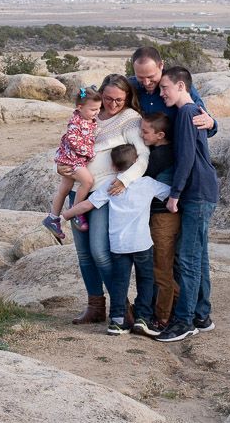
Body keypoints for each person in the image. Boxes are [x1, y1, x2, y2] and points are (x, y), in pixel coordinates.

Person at [61, 74, 149, 325]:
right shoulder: (87, 114)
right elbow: (68, 146)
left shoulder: (131, 120)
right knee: (84, 254)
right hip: (78, 190)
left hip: (104, 193)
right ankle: (95, 306)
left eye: (119, 99)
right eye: (108, 98)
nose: (112, 104)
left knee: (100, 252)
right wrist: (62, 168)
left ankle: (121, 307)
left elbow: (142, 156)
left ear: (127, 98)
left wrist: (125, 179)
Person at [61, 142, 170, 336]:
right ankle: (143, 319)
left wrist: (64, 216)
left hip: (119, 246)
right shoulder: (148, 183)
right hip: (142, 243)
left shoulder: (109, 187)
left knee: (120, 283)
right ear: (136, 162)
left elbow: (86, 206)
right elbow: (169, 194)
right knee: (146, 279)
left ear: (113, 167)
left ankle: (117, 321)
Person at [155, 66, 219, 343]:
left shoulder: (185, 113)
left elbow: (186, 158)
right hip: (204, 190)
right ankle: (202, 315)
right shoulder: (195, 113)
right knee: (199, 255)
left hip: (195, 192)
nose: (161, 93)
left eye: (164, 88)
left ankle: (184, 322)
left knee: (188, 258)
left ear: (181, 86)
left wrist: (175, 194)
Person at [42, 87, 101, 241]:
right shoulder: (76, 122)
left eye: (99, 108)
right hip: (72, 158)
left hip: (72, 158)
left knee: (65, 188)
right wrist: (89, 152)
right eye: (93, 109)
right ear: (79, 107)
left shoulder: (88, 119)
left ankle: (53, 218)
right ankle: (77, 212)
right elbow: (73, 142)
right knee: (87, 181)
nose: (97, 112)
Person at [138, 111, 179, 332]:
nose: (141, 135)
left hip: (163, 217)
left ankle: (163, 317)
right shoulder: (164, 150)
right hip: (163, 216)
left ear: (160, 134)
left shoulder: (160, 155)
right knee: (164, 266)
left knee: (161, 268)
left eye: (145, 131)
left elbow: (140, 178)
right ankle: (178, 308)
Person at [128, 45, 218, 136]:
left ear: (161, 65)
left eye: (151, 77)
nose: (146, 82)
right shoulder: (130, 86)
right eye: (140, 77)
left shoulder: (177, 85)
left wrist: (211, 124)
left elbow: (204, 124)